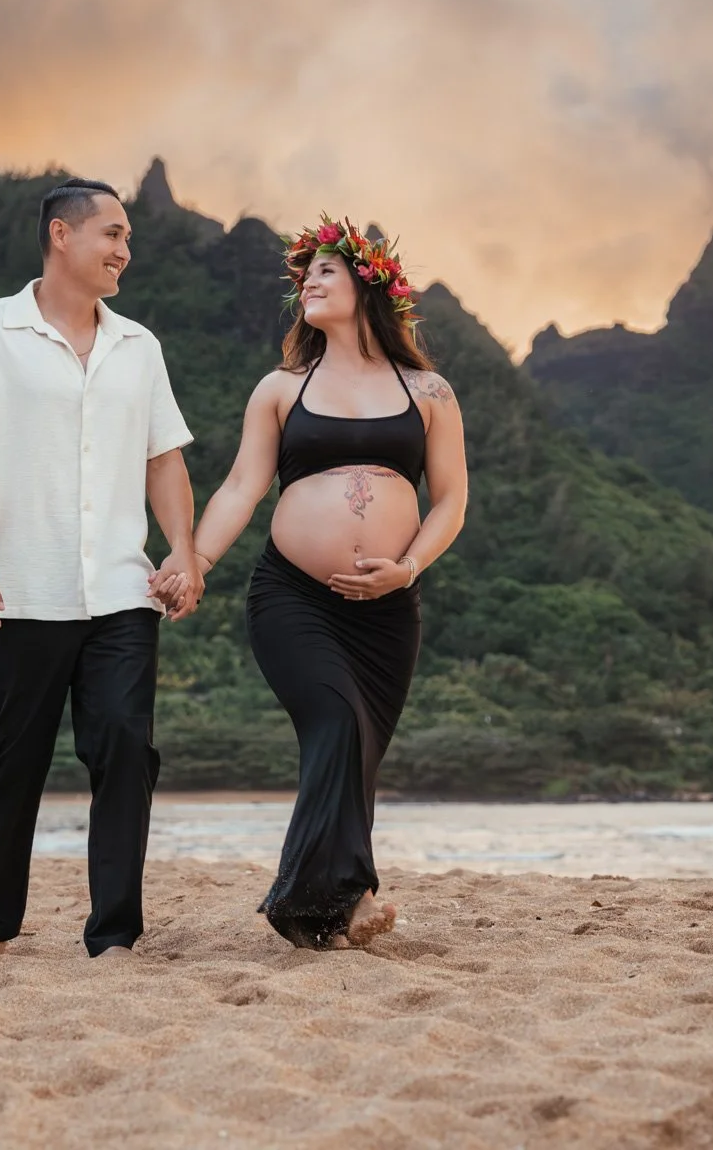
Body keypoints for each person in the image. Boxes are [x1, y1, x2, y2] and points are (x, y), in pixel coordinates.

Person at [166, 215, 468, 948]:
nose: (310, 282)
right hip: (292, 597)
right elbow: (242, 487)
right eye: (305, 276)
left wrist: (408, 568)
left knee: (359, 746)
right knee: (335, 722)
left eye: (326, 271)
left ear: (369, 285)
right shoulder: (280, 388)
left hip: (388, 609)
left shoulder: (429, 389)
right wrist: (196, 561)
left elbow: (452, 499)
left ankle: (336, 907)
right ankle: (332, 897)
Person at [0, 178, 204, 961]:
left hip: (122, 588)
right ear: (60, 234)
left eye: (127, 239)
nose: (125, 251)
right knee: (11, 760)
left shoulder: (139, 346)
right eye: (112, 234)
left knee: (124, 746)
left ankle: (113, 935)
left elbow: (165, 460)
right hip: (20, 588)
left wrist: (181, 548)